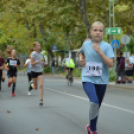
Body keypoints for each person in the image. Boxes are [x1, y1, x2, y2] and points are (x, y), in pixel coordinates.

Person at [79, 21, 114, 134]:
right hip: (88, 78)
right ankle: (93, 130)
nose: (97, 32)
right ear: (91, 32)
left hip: (102, 80)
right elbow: (81, 52)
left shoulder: (107, 46)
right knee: (94, 102)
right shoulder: (86, 44)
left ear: (103, 33)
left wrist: (100, 52)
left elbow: (110, 64)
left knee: (97, 106)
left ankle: (91, 128)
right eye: (95, 30)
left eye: (100, 30)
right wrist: (81, 58)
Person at [30, 41, 46, 106]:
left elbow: (43, 61)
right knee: (35, 88)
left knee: (41, 85)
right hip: (34, 71)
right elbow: (31, 63)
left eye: (39, 45)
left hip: (40, 71)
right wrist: (38, 61)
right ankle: (31, 84)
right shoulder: (33, 54)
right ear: (34, 47)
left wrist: (44, 63)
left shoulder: (41, 54)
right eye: (37, 46)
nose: (39, 47)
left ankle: (41, 100)